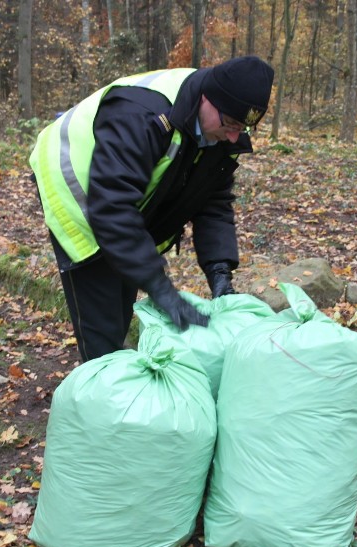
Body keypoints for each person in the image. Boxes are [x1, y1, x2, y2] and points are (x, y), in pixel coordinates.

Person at [29, 56, 275, 361]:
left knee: (124, 289)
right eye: (231, 124)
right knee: (102, 323)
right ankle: (102, 382)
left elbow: (212, 203)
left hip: (123, 199)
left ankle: (116, 364)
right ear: (206, 99)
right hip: (76, 190)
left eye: (244, 128)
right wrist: (161, 288)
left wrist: (220, 272)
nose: (235, 136)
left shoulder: (220, 128)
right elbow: (112, 208)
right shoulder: (141, 116)